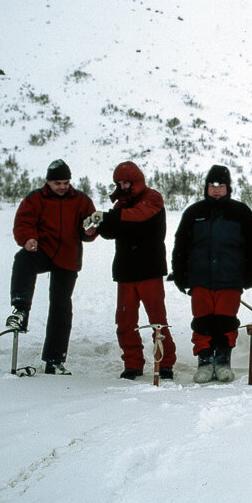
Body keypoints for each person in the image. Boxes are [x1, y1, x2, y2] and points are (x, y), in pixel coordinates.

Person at [5, 159, 97, 375]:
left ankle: (54, 359)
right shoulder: (36, 199)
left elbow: (88, 226)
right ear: (48, 182)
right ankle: (20, 310)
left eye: (65, 182)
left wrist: (90, 232)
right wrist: (28, 239)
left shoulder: (81, 200)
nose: (62, 187)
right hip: (43, 250)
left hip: (68, 256)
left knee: (61, 305)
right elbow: (23, 223)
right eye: (58, 183)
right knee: (23, 259)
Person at [171, 165, 252, 383]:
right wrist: (180, 273)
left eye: (221, 185)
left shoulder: (240, 212)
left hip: (230, 278)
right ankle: (204, 362)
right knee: (202, 321)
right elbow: (180, 245)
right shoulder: (194, 213)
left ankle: (222, 361)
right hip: (200, 279)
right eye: (213, 185)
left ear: (228, 187)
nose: (217, 189)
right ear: (207, 187)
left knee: (226, 322)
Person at [94, 161, 177, 381]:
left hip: (149, 270)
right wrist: (98, 223)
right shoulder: (120, 207)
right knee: (125, 321)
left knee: (158, 320)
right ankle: (132, 363)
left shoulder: (152, 198)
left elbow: (139, 216)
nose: (122, 187)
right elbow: (110, 231)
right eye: (119, 183)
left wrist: (107, 218)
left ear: (136, 181)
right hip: (126, 271)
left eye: (126, 182)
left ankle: (166, 362)